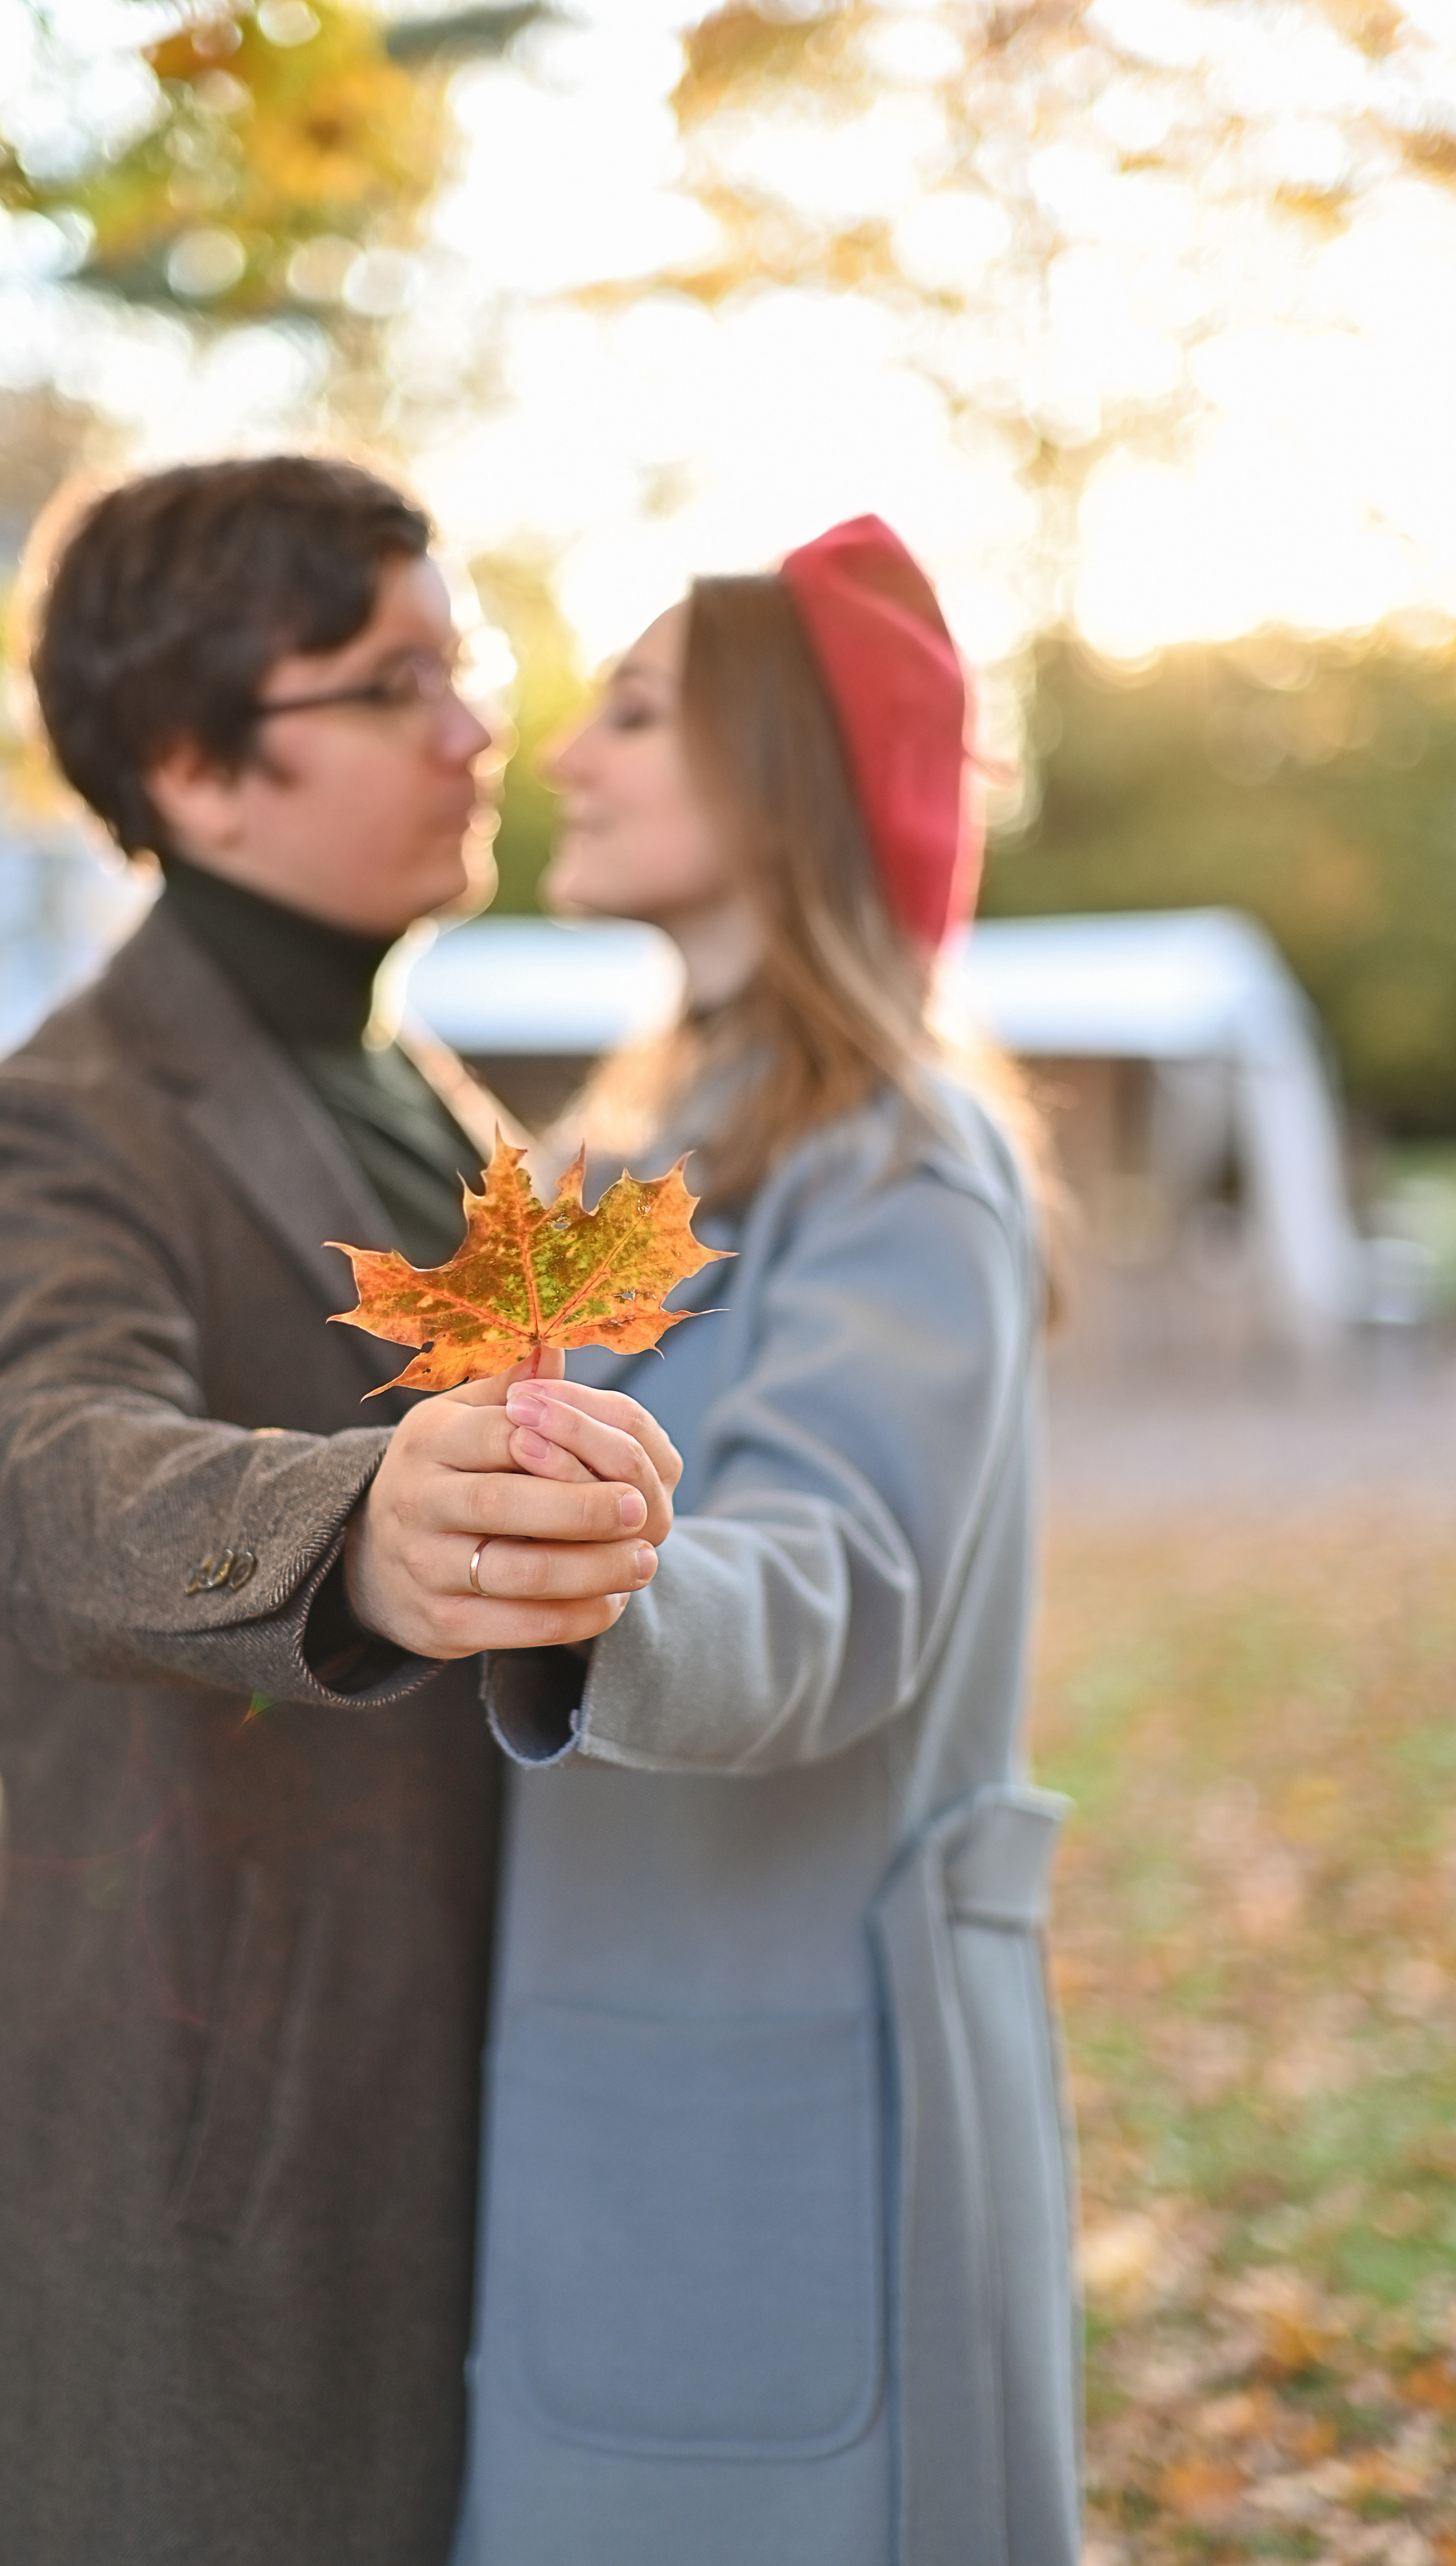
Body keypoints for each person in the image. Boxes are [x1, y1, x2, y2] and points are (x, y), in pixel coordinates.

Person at [0, 455, 673, 2566]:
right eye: (391, 679)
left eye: (468, 659)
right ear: (195, 768)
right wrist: (353, 1531)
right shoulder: (39, 1129)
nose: (474, 724)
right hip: (216, 2138)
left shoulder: (455, 1117)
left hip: (514, 2097)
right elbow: (39, 1470)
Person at [450, 518, 1082, 2563]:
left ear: (780, 770)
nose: (565, 756)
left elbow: (834, 1584)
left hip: (813, 2082)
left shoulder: (901, 1159)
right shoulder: (620, 1156)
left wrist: (570, 1573)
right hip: (601, 2059)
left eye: (635, 712)